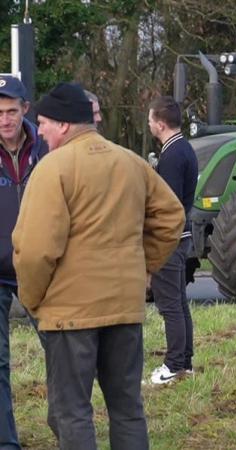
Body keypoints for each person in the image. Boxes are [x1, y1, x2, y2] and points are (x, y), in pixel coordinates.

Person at [12, 82, 184, 450]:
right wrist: (144, 267)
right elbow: (171, 217)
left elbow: (35, 249)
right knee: (127, 408)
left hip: (69, 313)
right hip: (124, 308)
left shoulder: (52, 168)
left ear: (63, 124)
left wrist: (32, 298)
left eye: (42, 123)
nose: (38, 130)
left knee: (72, 412)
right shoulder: (131, 162)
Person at [0, 75, 47, 449]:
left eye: (11, 111)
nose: (4, 119)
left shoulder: (48, 147)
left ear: (25, 109)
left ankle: (70, 430)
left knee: (61, 355)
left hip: (40, 269)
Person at [147, 96, 198, 385]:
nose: (150, 125)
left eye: (151, 120)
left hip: (170, 239)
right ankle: (184, 362)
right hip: (181, 235)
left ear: (161, 123)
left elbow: (168, 203)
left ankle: (174, 364)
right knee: (179, 302)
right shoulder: (183, 149)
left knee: (170, 306)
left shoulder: (172, 156)